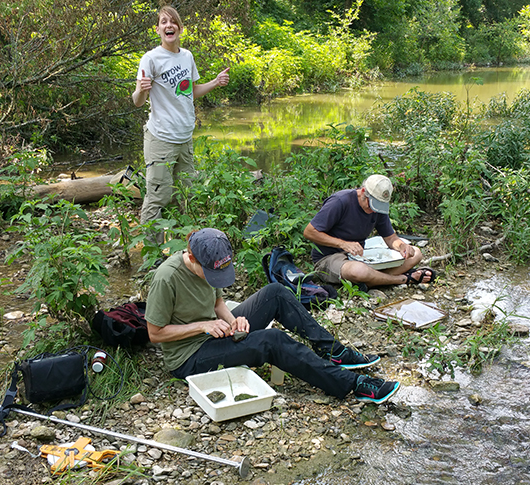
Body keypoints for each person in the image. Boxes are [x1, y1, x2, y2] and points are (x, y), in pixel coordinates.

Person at [144, 228, 401, 404]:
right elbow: (155, 334)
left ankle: (334, 351)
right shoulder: (167, 278)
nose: (215, 279)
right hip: (188, 357)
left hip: (215, 332)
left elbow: (217, 301)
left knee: (276, 292)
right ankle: (355, 384)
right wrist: (202, 326)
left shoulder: (212, 256)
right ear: (191, 257)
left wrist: (233, 321)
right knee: (272, 340)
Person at [132, 6, 230, 238]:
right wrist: (142, 91)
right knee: (158, 197)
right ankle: (152, 254)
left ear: (180, 28)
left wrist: (215, 82)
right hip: (161, 138)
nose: (169, 25)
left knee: (186, 195)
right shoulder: (150, 58)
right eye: (164, 22)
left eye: (173, 22)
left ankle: (184, 248)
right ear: (157, 29)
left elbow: (190, 91)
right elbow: (137, 100)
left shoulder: (187, 56)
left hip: (185, 138)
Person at [304, 174, 435, 289]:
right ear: (362, 192)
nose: (373, 210)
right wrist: (343, 244)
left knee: (416, 253)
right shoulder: (340, 201)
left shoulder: (378, 210)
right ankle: (403, 279)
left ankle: (372, 281)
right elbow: (309, 232)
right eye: (371, 205)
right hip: (329, 257)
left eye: (378, 206)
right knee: (359, 271)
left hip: (360, 257)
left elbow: (390, 238)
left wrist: (402, 246)